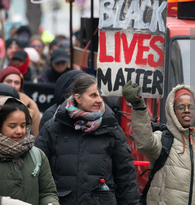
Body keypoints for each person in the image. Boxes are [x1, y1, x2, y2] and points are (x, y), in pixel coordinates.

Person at [35, 75, 140, 205]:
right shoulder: (53, 128)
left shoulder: (111, 128)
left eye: (101, 95)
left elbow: (126, 177)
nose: (99, 100)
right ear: (78, 98)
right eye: (93, 95)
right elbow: (37, 171)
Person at [123, 81, 195, 205]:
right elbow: (145, 143)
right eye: (181, 107)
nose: (187, 110)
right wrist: (139, 107)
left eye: (191, 107)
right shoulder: (163, 140)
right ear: (172, 111)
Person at [0, 96, 59, 205]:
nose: (19, 131)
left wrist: (50, 203)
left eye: (23, 126)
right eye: (12, 126)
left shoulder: (37, 155)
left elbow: (47, 193)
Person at [0, 66, 41, 137]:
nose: (13, 85)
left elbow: (37, 134)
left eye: (17, 83)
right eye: (8, 81)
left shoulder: (30, 104)